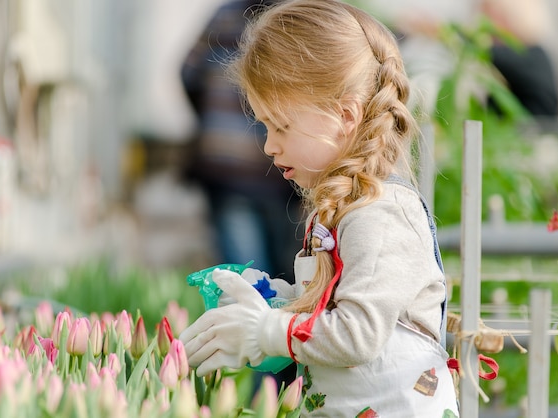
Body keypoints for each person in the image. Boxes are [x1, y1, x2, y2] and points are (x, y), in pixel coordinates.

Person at [180, 1, 459, 416]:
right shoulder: (345, 208)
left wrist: (267, 332)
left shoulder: (379, 215)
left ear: (345, 114)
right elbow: (335, 305)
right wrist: (276, 299)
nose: (269, 145)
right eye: (264, 125)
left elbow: (358, 334)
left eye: (282, 126)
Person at [179, 0, 301, 281]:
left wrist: (212, 120)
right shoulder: (300, 19)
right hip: (277, 173)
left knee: (248, 276)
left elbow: (188, 73)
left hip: (230, 165)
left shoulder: (225, 15)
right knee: (280, 276)